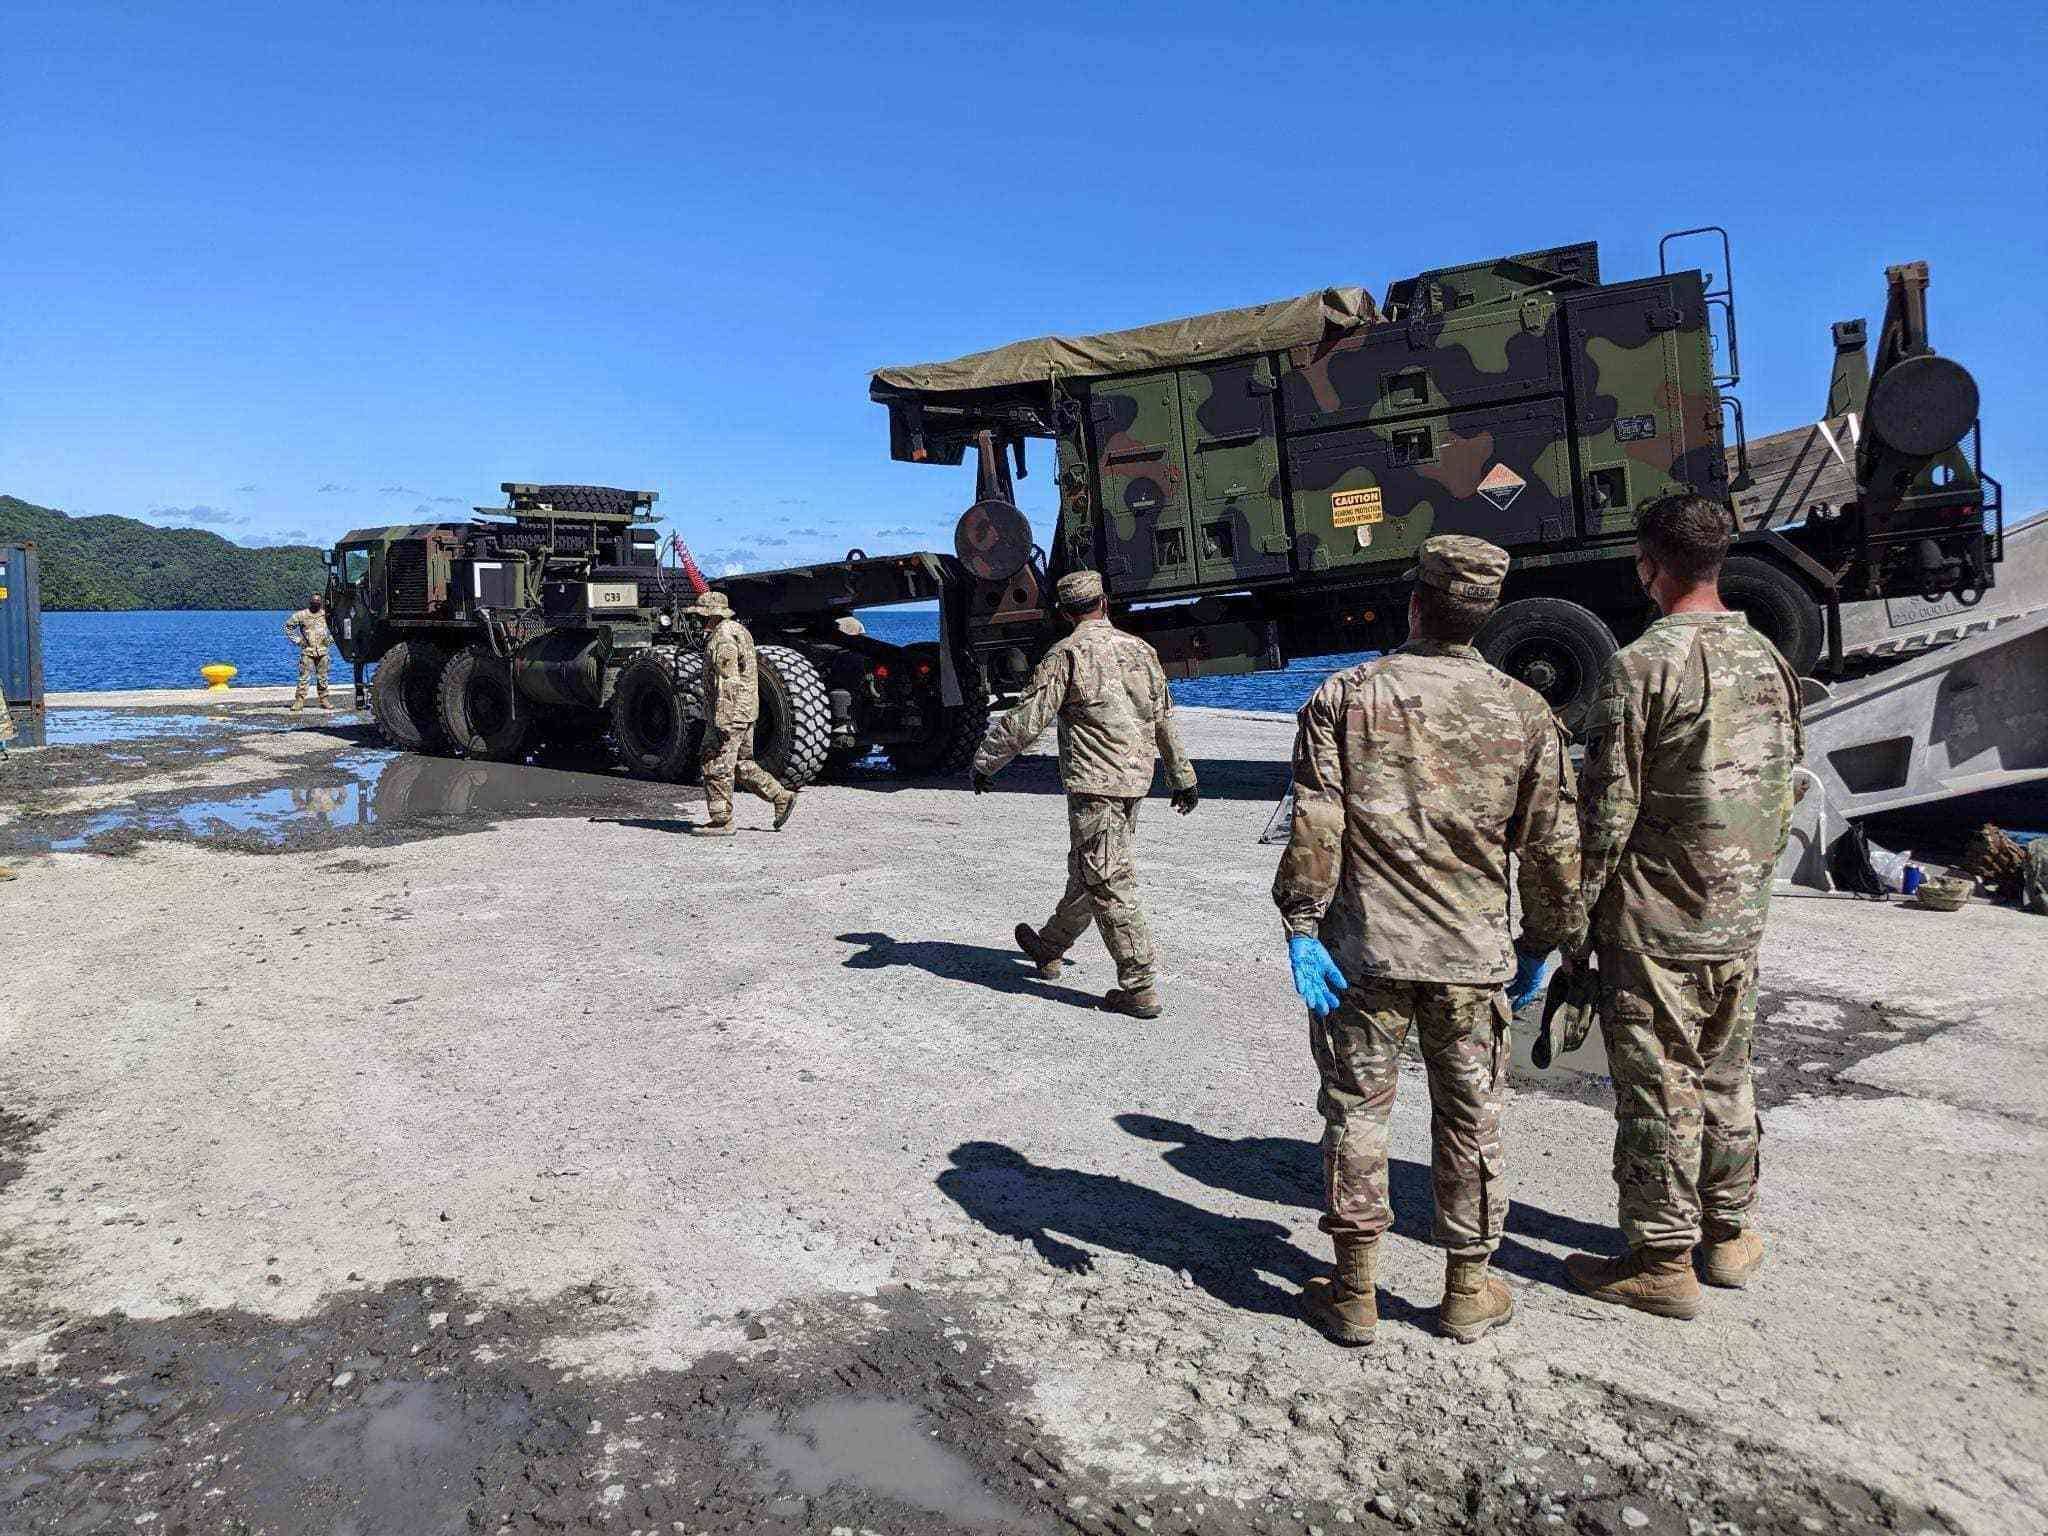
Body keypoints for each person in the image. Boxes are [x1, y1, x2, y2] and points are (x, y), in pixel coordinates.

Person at [1273, 535, 1584, 1346]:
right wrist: (1541, 942)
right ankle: (1466, 1289)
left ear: (1415, 602)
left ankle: (1353, 1291)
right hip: (1471, 956)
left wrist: (1303, 923)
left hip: (1362, 955)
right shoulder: (1525, 711)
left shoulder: (1345, 696)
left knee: (1355, 1113)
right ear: (1486, 615)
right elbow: (1553, 845)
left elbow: (1317, 823)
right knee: (1472, 1116)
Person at [1563, 492, 1803, 1320]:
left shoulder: (1638, 667)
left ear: (1650, 566)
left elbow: (1605, 814)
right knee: (1727, 1075)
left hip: (1658, 923)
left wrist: (1572, 927)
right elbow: (1786, 782)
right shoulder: (1768, 658)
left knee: (1660, 1089)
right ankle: (1730, 1235)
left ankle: (1662, 1261)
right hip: (1739, 916)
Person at [971, 569, 1198, 1019]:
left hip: (1095, 784)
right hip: (1136, 780)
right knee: (1091, 869)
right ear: (1105, 603)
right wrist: (1181, 775)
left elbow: (1027, 718)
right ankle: (1050, 946)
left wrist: (986, 761)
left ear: (1062, 613)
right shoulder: (1141, 651)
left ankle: (1139, 985)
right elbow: (1164, 717)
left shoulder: (1065, 655)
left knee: (1108, 880)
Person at [688, 590, 797, 837]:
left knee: (714, 762)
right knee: (741, 763)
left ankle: (721, 820)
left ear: (710, 614)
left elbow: (728, 681)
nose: (698, 619)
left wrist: (722, 720)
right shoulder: (739, 630)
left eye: (701, 614)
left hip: (731, 713)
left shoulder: (722, 638)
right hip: (746, 710)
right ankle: (780, 796)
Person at [283, 596, 332, 713]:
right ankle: (299, 701)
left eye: (318, 601)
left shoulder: (326, 615)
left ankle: (324, 700)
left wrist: (330, 640)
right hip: (307, 651)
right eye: (314, 601)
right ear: (310, 602)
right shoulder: (301, 615)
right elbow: (288, 626)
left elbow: (338, 627)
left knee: (323, 678)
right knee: (303, 678)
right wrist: (298, 640)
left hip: (323, 651)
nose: (316, 603)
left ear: (321, 603)